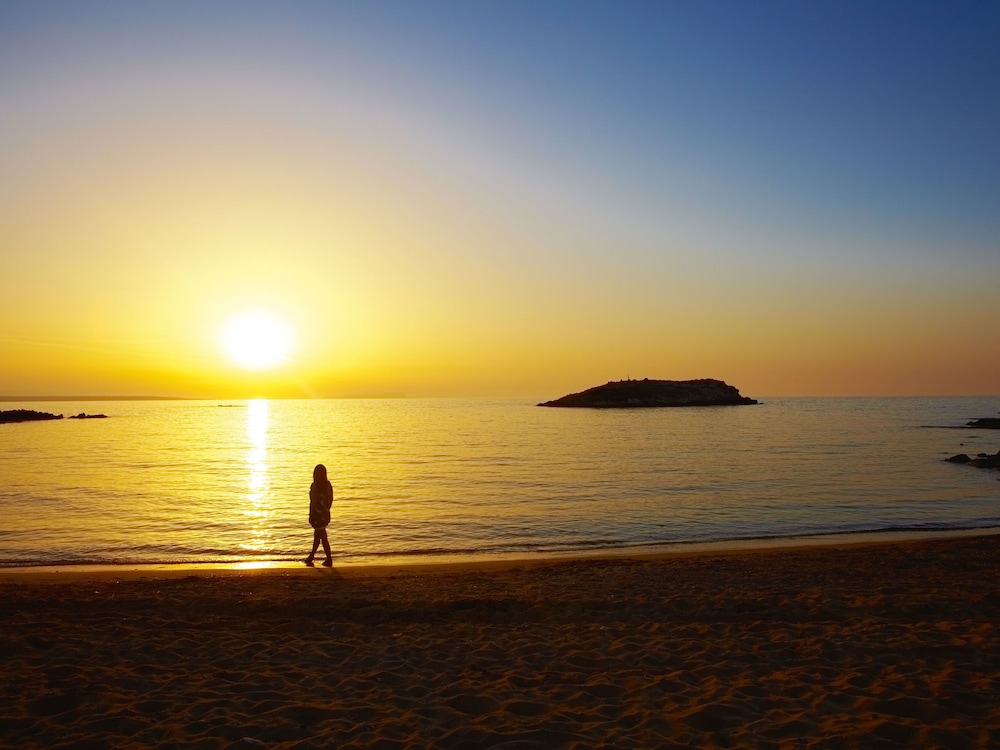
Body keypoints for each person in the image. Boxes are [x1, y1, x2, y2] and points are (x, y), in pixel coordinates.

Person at [305, 463, 333, 567]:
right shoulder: (328, 485)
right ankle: (312, 556)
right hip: (325, 514)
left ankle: (328, 558)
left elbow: (313, 502)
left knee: (321, 536)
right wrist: (326, 510)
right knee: (319, 536)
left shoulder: (315, 485)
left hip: (317, 514)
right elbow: (330, 499)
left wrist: (311, 514)